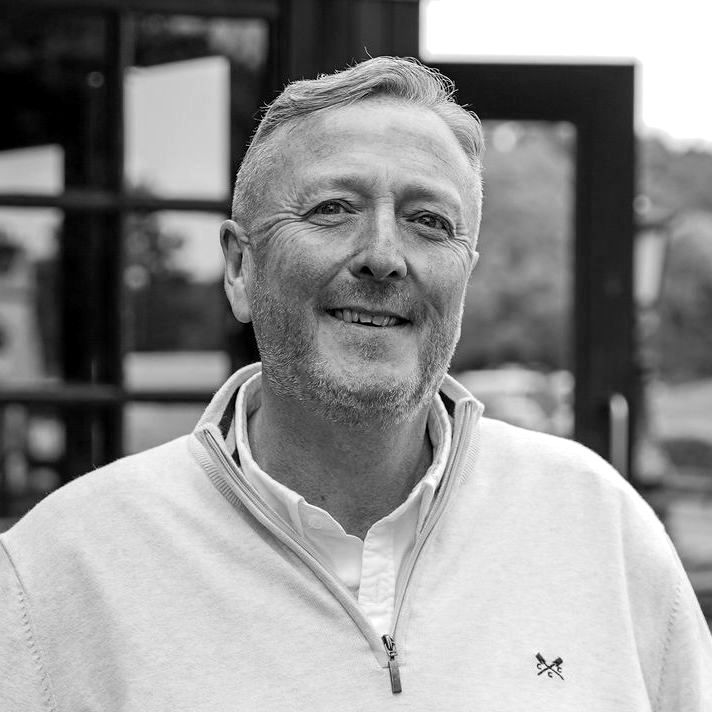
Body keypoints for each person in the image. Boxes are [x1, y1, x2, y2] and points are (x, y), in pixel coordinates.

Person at [1, 56, 710, 711]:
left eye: (429, 221)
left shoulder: (597, 527)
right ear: (239, 268)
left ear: (467, 271)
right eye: (332, 209)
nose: (382, 257)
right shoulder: (62, 571)